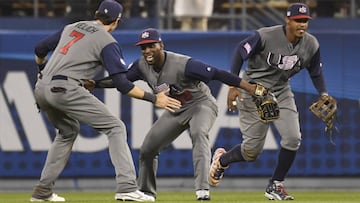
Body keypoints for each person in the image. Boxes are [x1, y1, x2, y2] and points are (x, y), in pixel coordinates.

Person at [88, 28, 264, 201]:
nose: (147, 50)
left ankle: (202, 191)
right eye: (143, 47)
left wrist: (249, 88)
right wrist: (95, 84)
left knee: (198, 133)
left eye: (151, 45)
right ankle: (146, 193)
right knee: (148, 150)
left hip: (201, 105)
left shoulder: (184, 64)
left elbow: (217, 73)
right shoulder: (141, 66)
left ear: (161, 45)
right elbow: (121, 80)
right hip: (176, 110)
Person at [30, 0, 181, 202]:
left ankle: (42, 192)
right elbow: (123, 84)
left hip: (41, 88)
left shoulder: (72, 26)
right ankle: (127, 187)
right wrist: (155, 98)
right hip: (65, 88)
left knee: (67, 132)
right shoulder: (107, 41)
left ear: (96, 14)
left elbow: (40, 49)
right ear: (117, 21)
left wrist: (42, 70)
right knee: (116, 127)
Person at [209, 2, 332, 200]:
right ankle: (222, 160)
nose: (302, 25)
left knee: (293, 138)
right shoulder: (265, 35)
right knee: (251, 152)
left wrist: (324, 94)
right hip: (252, 91)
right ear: (288, 20)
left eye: (305, 21)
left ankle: (275, 184)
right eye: (297, 20)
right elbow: (240, 52)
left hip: (281, 91)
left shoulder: (311, 44)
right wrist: (233, 86)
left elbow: (315, 71)